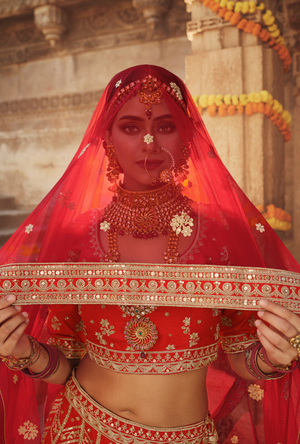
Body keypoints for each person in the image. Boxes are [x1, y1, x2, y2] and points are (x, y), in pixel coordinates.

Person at [0, 65, 299, 444]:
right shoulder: (77, 236)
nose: (148, 142)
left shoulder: (222, 235)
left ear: (186, 136)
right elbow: (67, 362)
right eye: (129, 127)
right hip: (81, 428)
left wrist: (277, 355)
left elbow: (241, 357)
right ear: (106, 137)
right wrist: (24, 351)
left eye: (165, 126)